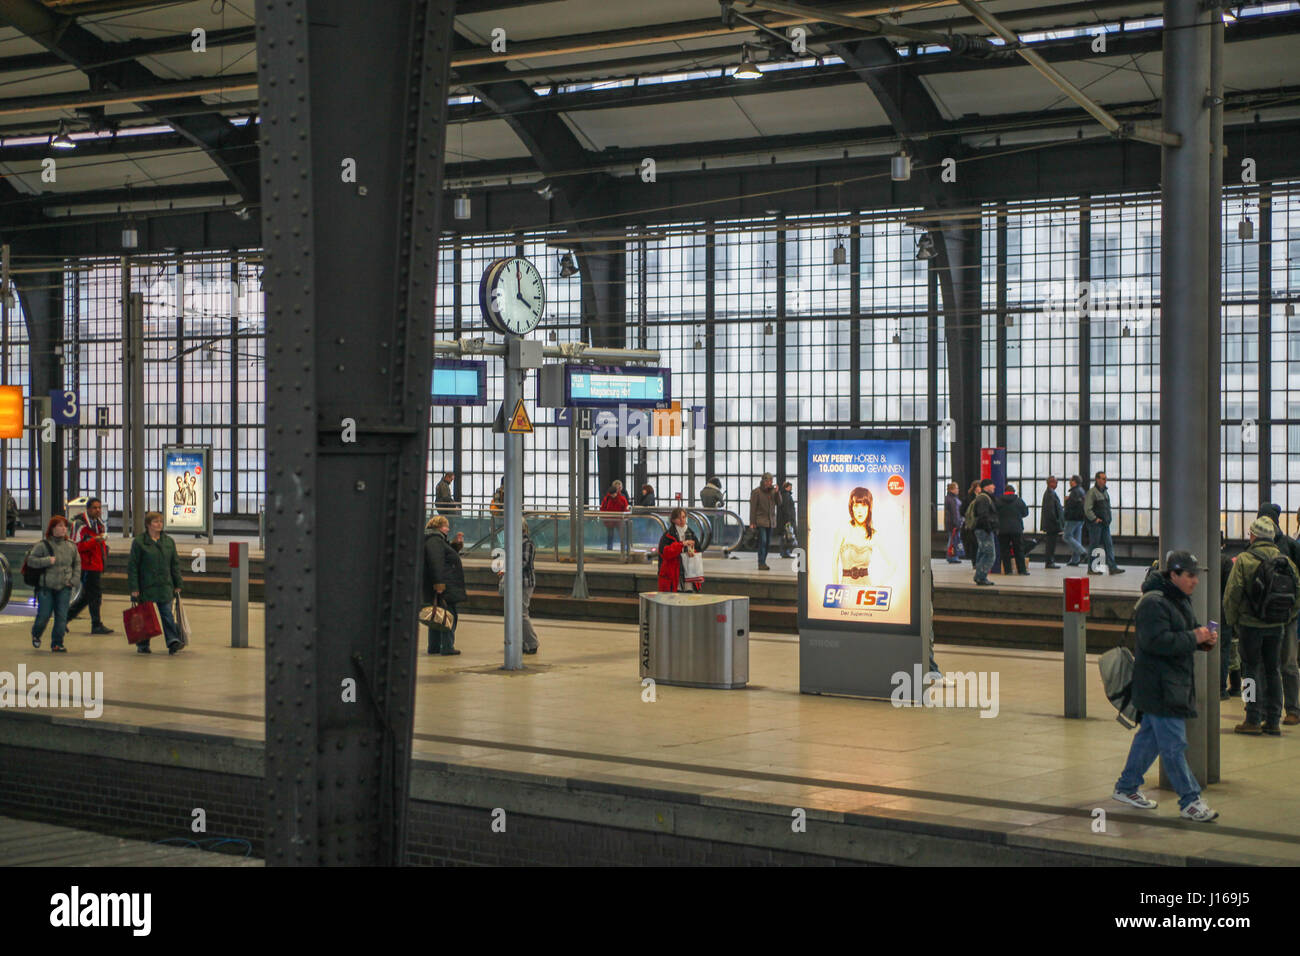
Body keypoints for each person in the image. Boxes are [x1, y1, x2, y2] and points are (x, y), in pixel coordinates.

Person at [1111, 550, 1219, 822]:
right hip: (1159, 685)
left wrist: (1202, 639)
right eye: (1190, 575)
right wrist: (1193, 636)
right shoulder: (1153, 604)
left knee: (1149, 738)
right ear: (1174, 575)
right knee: (1173, 745)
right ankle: (1190, 800)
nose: (1195, 581)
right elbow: (1156, 642)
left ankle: (1126, 787)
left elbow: (1184, 633)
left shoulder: (1178, 599)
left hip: (1171, 682)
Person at [1223, 515, 1300, 736]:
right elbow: (1298, 593)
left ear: (1254, 535)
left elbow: (1232, 594)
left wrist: (1233, 620)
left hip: (1250, 625)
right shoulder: (1286, 561)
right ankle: (1274, 720)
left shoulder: (1245, 560)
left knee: (1250, 670)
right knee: (1273, 670)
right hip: (1276, 626)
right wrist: (1286, 617)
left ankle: (1253, 717)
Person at [1256, 504, 1300, 725]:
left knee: (1285, 665)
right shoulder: (1251, 549)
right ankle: (1258, 710)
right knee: (1261, 667)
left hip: (1281, 618)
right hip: (1261, 620)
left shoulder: (1290, 546)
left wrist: (1293, 611)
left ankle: (1290, 709)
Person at [126, 511, 184, 655]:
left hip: (165, 584)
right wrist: (134, 587)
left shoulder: (168, 542)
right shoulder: (139, 542)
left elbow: (174, 564)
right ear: (148, 524)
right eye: (156, 522)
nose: (159, 524)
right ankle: (143, 643)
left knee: (167, 614)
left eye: (161, 522)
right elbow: (133, 566)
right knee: (145, 615)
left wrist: (178, 583)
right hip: (146, 586)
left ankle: (172, 640)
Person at [26, 516, 81, 652]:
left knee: (61, 617)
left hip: (64, 587)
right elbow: (30, 560)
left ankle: (57, 643)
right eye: (60, 526)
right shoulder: (42, 545)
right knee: (44, 616)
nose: (63, 529)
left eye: (65, 526)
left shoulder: (71, 546)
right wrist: (46, 561)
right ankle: (36, 634)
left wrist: (74, 580)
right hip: (46, 587)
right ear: (52, 528)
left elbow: (77, 564)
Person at [67, 497, 113, 634]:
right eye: (94, 508)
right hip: (86, 565)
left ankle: (67, 619)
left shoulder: (99, 524)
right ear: (88, 509)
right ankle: (95, 624)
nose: (98, 510)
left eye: (99, 508)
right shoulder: (80, 525)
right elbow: (76, 546)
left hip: (96, 564)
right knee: (91, 595)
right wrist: (95, 541)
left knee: (90, 596)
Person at [832, 487, 895, 586]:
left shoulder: (874, 535)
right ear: (851, 508)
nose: (859, 511)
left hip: (866, 590)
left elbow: (892, 565)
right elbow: (834, 562)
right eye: (856, 506)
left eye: (864, 505)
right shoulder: (843, 530)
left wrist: (879, 586)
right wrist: (835, 589)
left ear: (869, 507)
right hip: (846, 589)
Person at [423, 515, 466, 656]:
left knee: (437, 614)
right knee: (449, 614)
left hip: (442, 583)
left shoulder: (436, 540)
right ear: (439, 527)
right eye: (446, 526)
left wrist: (455, 545)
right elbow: (436, 561)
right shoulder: (435, 541)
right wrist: (439, 583)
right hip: (444, 584)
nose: (448, 529)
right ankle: (447, 646)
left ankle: (434, 646)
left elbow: (445, 557)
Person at [496, 519, 539, 655]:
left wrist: (507, 568)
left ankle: (532, 643)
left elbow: (524, 563)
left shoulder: (527, 544)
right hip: (514, 581)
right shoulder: (512, 544)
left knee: (521, 612)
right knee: (515, 613)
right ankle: (520, 642)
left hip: (525, 582)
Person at [1084, 471, 1124, 575]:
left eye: (1105, 478)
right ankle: (1092, 568)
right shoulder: (1092, 492)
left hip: (1105, 524)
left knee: (1109, 545)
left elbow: (1107, 508)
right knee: (1095, 546)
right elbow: (1087, 509)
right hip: (1095, 524)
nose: (1104, 480)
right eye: (1102, 478)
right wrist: (1095, 519)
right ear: (1097, 479)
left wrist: (1108, 519)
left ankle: (1112, 567)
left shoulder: (1105, 492)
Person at [1219, 532, 1242, 701]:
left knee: (1210, 647)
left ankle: (1214, 686)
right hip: (1225, 615)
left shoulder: (1201, 558)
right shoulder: (1227, 561)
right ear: (1223, 544)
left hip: (1210, 614)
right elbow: (1232, 591)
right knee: (1250, 665)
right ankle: (1251, 703)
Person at [748, 472, 781, 571]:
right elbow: (753, 508)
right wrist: (752, 522)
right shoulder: (756, 492)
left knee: (767, 543)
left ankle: (763, 561)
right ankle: (761, 562)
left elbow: (779, 503)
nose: (770, 483)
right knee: (763, 541)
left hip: (770, 521)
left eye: (771, 481)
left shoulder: (773, 492)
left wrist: (777, 492)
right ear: (763, 481)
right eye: (768, 481)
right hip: (760, 521)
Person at [968, 479, 998, 586]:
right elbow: (983, 515)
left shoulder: (983, 497)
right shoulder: (984, 499)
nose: (994, 486)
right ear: (986, 487)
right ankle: (981, 577)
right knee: (990, 554)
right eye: (991, 485)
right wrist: (989, 528)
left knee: (982, 553)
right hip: (984, 530)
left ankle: (979, 576)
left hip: (981, 529)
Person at [995, 483, 1030, 575]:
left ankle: (1008, 570)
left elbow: (994, 513)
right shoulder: (1019, 501)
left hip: (1002, 529)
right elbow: (1025, 513)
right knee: (1018, 550)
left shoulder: (998, 501)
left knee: (1005, 550)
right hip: (1016, 529)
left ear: (1005, 492)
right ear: (1014, 492)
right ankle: (1022, 570)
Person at [657, 507, 691, 592]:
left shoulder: (690, 533)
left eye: (683, 517)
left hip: (687, 573)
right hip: (671, 574)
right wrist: (681, 545)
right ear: (673, 520)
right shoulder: (667, 536)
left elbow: (698, 548)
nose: (682, 520)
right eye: (679, 518)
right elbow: (665, 553)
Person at [1062, 474, 1089, 567]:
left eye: (1071, 480)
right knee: (1077, 538)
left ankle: (1083, 552)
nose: (1069, 482)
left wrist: (1067, 500)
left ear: (1074, 482)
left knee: (1066, 536)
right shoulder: (1082, 491)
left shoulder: (1075, 492)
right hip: (1081, 518)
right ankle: (1075, 560)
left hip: (1072, 518)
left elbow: (1072, 505)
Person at [1039, 476, 1064, 569]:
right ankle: (1049, 562)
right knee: (1051, 544)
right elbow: (1051, 510)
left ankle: (1050, 561)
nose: (1056, 485)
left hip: (1051, 524)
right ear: (1050, 483)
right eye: (1055, 483)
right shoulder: (1050, 494)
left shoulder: (1050, 493)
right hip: (1052, 524)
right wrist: (1057, 522)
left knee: (1051, 543)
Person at [600, 480, 630, 551]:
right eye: (611, 494)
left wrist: (625, 517)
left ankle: (625, 549)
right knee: (610, 535)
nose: (613, 496)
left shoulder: (622, 499)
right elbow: (602, 508)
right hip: (610, 521)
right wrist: (604, 518)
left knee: (622, 535)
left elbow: (626, 508)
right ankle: (609, 549)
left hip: (620, 520)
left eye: (614, 494)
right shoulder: (607, 499)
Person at [962, 480, 981, 572]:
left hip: (979, 524)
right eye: (979, 486)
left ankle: (978, 562)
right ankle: (975, 562)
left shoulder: (982, 497)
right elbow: (962, 510)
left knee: (978, 544)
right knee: (974, 544)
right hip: (972, 525)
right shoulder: (969, 498)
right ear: (975, 488)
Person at [944, 482, 963, 564]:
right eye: (956, 488)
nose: (958, 490)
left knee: (952, 539)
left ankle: (952, 556)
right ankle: (952, 556)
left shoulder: (950, 498)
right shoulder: (952, 499)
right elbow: (955, 512)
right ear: (952, 489)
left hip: (951, 522)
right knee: (952, 540)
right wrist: (957, 523)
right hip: (953, 523)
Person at [777, 480, 797, 559]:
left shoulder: (784, 495)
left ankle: (784, 552)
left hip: (784, 519)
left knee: (785, 535)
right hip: (787, 520)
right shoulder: (786, 496)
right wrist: (788, 520)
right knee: (786, 536)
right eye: (790, 487)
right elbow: (787, 509)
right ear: (787, 487)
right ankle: (785, 552)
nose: (791, 488)